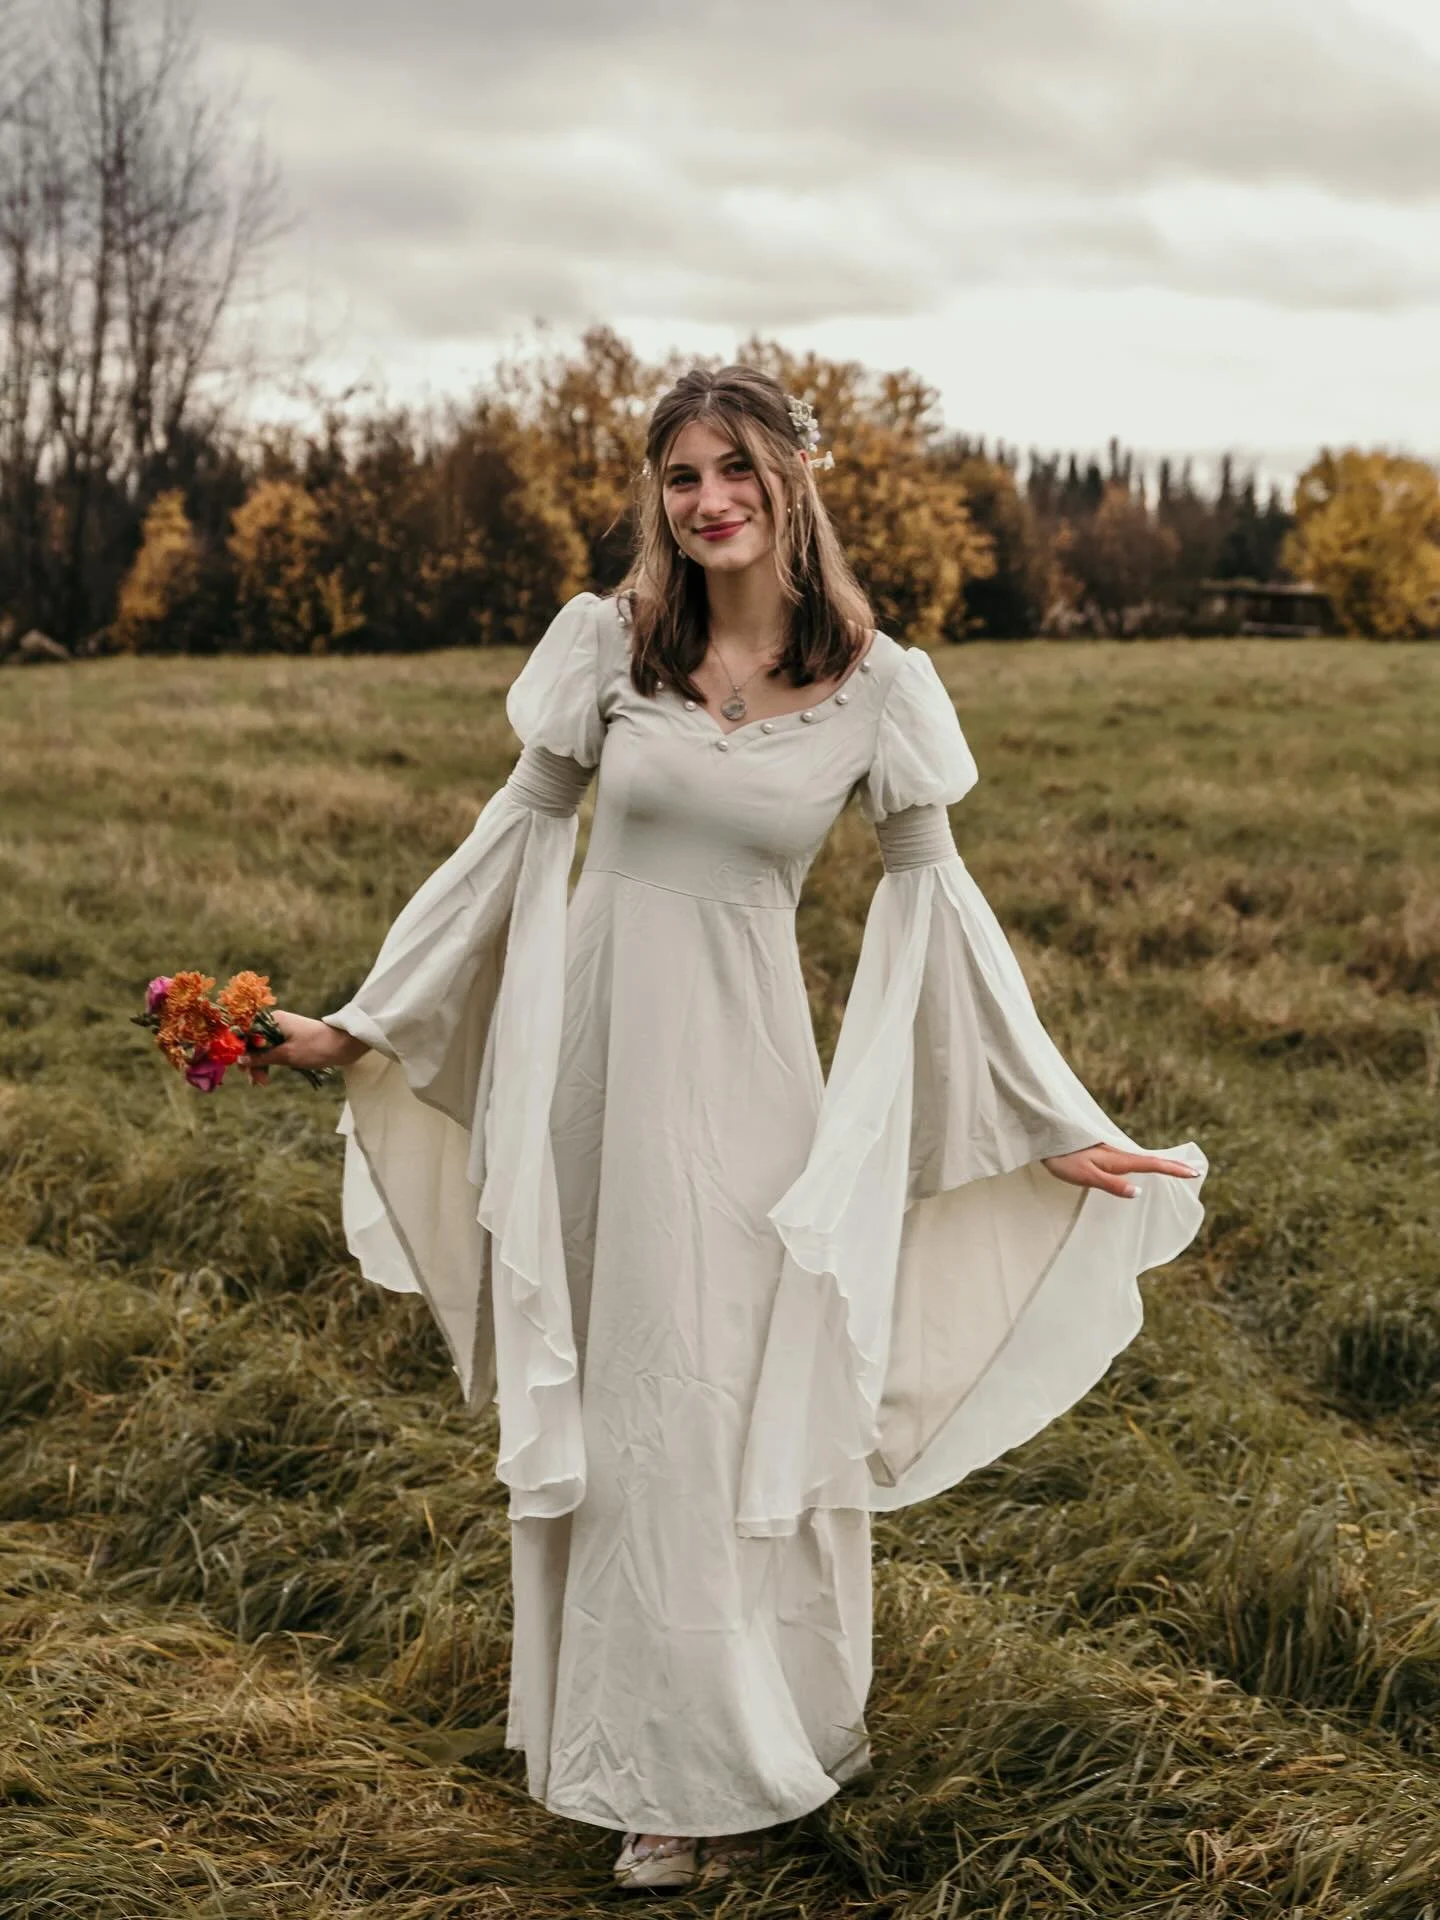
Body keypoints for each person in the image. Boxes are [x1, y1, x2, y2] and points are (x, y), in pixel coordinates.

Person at [253, 365, 1206, 1893]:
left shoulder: (880, 689)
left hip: (753, 1099)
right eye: (681, 475)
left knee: (724, 1411)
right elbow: (509, 845)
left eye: (735, 472)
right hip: (600, 1087)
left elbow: (937, 912)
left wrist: (1045, 1118)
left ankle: (739, 1740)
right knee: (630, 1422)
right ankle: (642, 1766)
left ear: (792, 481)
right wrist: (362, 1023)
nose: (707, 502)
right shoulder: (606, 653)